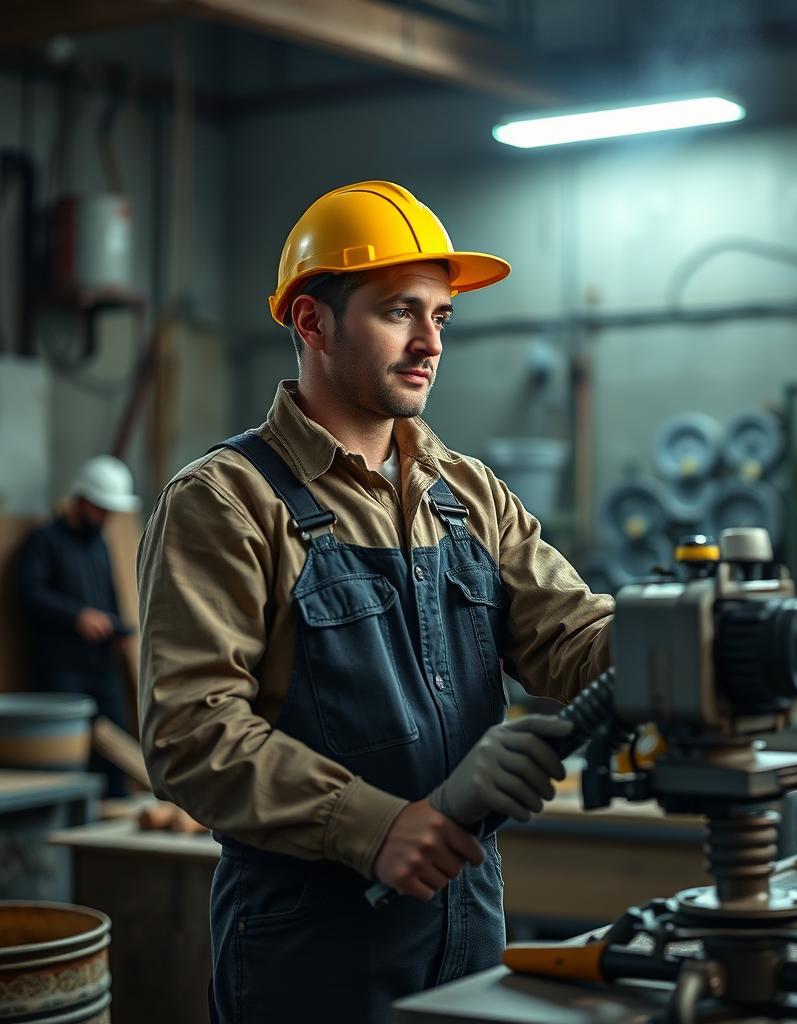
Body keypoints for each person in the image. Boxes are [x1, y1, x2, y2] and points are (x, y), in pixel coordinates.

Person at [136, 180, 614, 1023]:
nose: (430, 341)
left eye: (442, 316)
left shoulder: (466, 494)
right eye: (400, 312)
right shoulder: (227, 500)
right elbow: (191, 730)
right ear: (311, 323)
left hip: (468, 916)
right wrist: (373, 824)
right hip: (311, 944)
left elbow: (571, 635)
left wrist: (677, 638)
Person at [17, 455, 140, 797]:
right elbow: (30, 593)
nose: (106, 519)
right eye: (101, 509)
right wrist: (77, 616)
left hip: (100, 663)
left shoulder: (99, 543)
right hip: (62, 666)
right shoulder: (44, 541)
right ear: (82, 500)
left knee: (115, 741)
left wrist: (117, 628)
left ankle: (115, 809)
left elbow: (110, 594)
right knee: (73, 750)